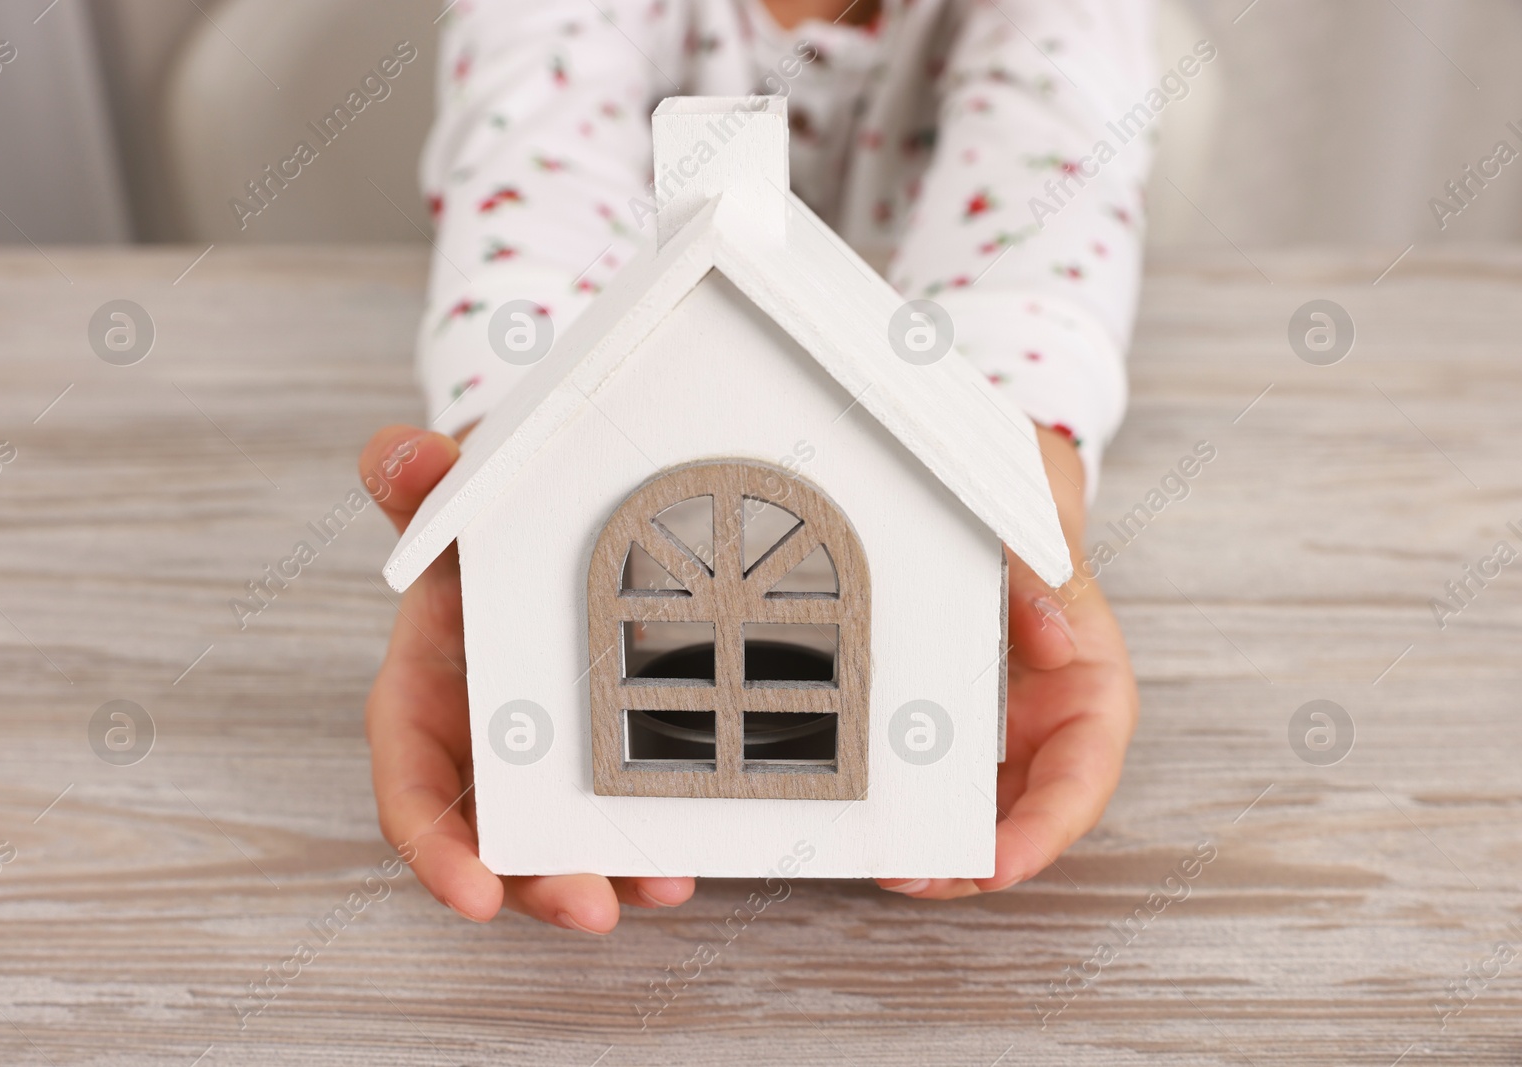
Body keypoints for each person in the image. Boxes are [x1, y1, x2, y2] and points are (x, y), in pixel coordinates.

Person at [357, 0, 1147, 932]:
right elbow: (531, 177)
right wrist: (516, 449)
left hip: (932, 395)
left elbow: (1047, 181)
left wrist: (1012, 458)